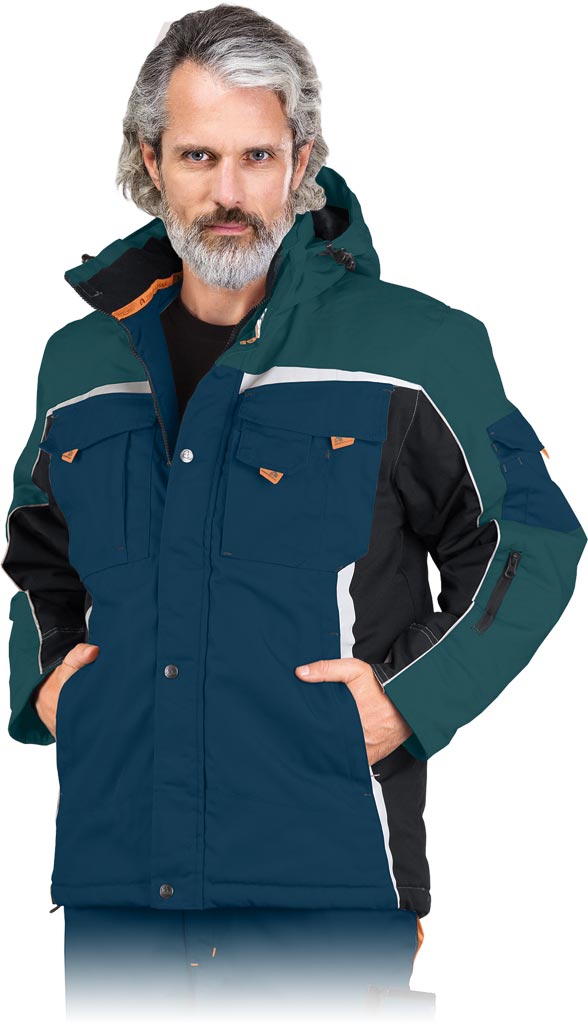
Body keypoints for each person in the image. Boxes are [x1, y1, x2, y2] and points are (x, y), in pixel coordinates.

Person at [2, 5, 584, 1019]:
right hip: (118, 885)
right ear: (151, 160)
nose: (228, 193)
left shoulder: (414, 347)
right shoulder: (80, 361)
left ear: (301, 160)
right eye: (198, 156)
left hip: (328, 886)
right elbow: (37, 547)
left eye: (257, 156)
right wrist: (52, 686)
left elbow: (529, 539)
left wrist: (409, 700)